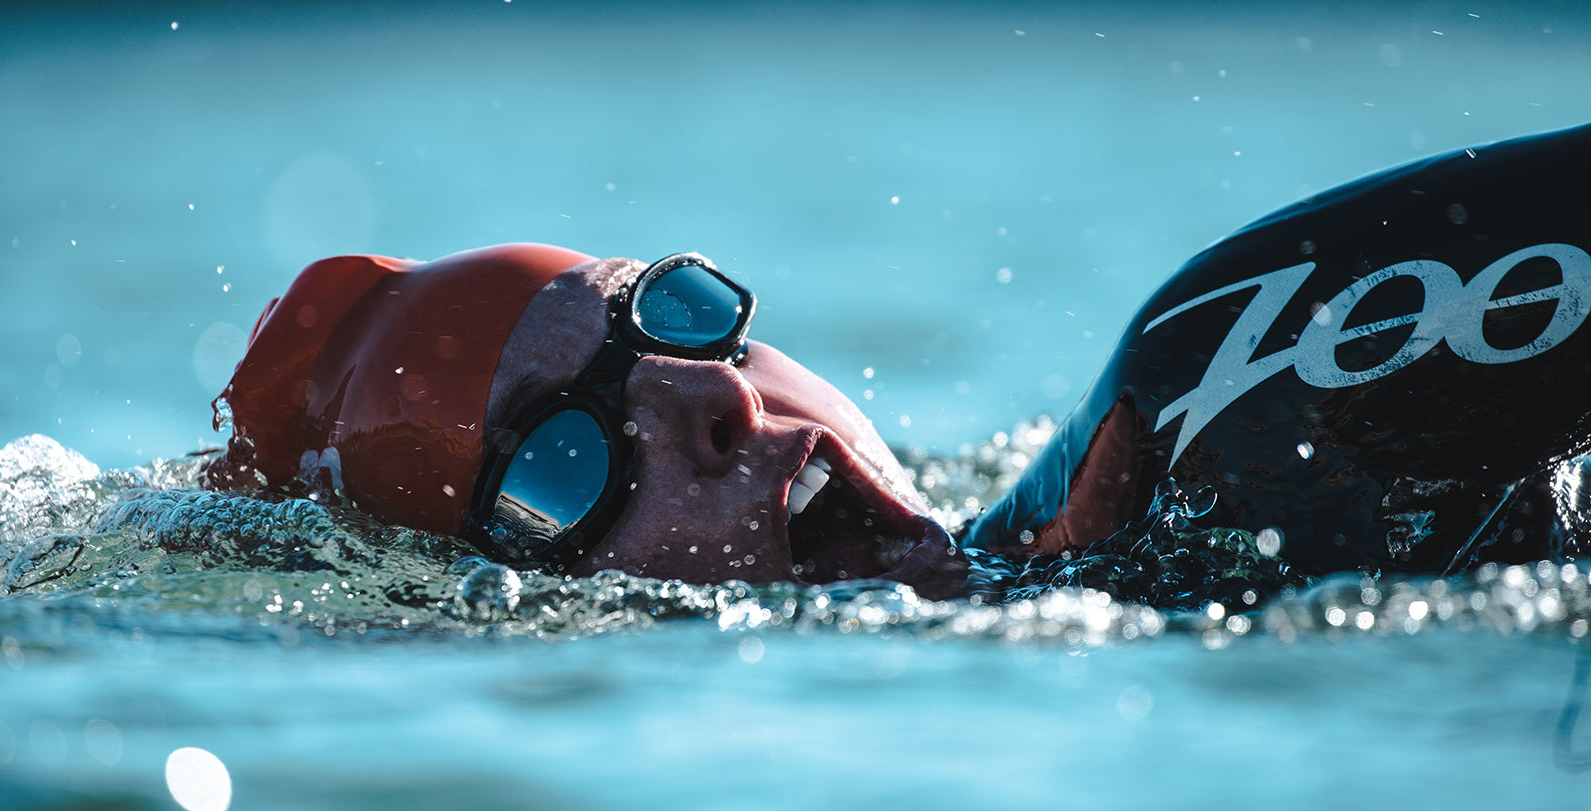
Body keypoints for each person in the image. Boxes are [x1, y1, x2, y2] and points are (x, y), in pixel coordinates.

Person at [205, 122, 1591, 599]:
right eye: (565, 470)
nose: (718, 403)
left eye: (671, 317)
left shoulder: (1229, 372)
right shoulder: (1219, 393)